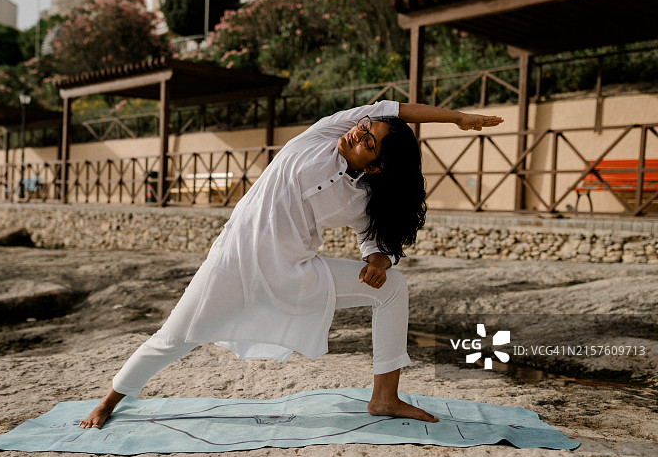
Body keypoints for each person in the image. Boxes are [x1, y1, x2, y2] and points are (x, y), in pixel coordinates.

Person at [80, 101, 503, 429]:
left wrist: (378, 261)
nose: (359, 133)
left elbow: (376, 240)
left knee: (393, 288)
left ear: (374, 166)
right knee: (174, 336)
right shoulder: (324, 134)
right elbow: (395, 108)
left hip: (294, 274)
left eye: (368, 142)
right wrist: (456, 118)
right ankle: (108, 402)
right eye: (364, 128)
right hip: (234, 263)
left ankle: (385, 398)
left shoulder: (363, 198)